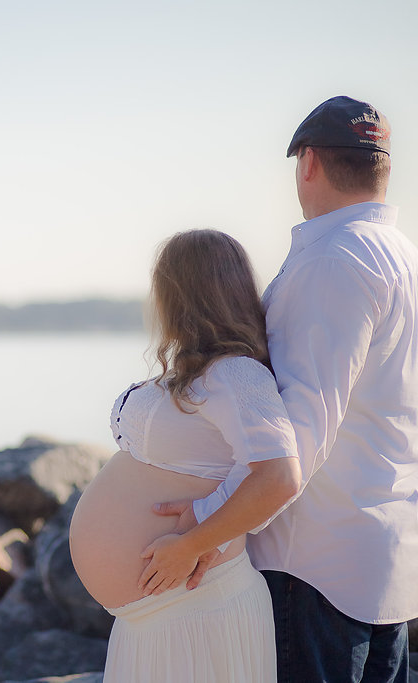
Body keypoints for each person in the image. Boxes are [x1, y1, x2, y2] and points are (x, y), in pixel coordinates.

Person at [149, 96, 418, 682]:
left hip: (316, 570)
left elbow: (298, 439)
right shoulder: (405, 258)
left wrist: (203, 530)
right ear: (383, 168)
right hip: (386, 561)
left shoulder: (334, 261)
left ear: (309, 163)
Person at [69, 228, 301, 682]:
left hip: (196, 604)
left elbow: (280, 478)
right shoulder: (201, 371)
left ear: (178, 294)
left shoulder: (236, 374)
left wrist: (190, 545)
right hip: (161, 615)